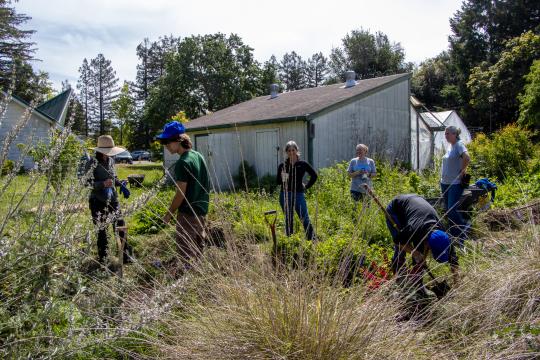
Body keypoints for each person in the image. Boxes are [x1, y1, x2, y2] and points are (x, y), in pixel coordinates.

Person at [157, 121, 210, 263]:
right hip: (201, 211)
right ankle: (199, 277)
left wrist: (169, 214)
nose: (166, 146)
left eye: (168, 142)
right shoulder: (197, 156)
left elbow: (180, 193)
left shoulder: (182, 163)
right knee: (199, 249)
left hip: (187, 213)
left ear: (179, 140)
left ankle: (184, 278)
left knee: (185, 252)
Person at [386, 194, 458, 287]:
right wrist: (415, 253)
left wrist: (456, 282)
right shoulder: (414, 229)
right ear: (427, 243)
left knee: (419, 254)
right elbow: (398, 242)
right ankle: (399, 277)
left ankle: (417, 283)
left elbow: (454, 260)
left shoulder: (444, 236)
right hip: (396, 209)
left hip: (416, 210)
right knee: (403, 249)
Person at [85, 135, 132, 264]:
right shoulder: (92, 163)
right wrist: (102, 184)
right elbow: (86, 183)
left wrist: (120, 183)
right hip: (97, 201)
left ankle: (125, 256)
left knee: (120, 226)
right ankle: (104, 260)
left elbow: (114, 177)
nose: (109, 154)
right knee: (102, 231)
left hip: (112, 200)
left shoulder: (111, 161)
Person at [276, 141, 318, 240]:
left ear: (297, 150)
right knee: (288, 218)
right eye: (289, 150)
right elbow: (278, 182)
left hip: (298, 194)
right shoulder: (283, 165)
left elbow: (314, 176)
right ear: (286, 152)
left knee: (304, 217)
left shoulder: (302, 164)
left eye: (293, 150)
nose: (291, 152)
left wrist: (306, 186)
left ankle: (312, 239)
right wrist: (283, 175)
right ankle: (290, 240)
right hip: (285, 194)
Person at [440, 126, 470, 245]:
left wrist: (462, 171)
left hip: (455, 183)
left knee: (452, 209)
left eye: (448, 134)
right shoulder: (450, 146)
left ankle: (463, 228)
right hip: (445, 182)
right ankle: (454, 233)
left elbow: (467, 157)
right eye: (445, 134)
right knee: (448, 210)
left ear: (454, 134)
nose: (446, 136)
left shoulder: (459, 144)